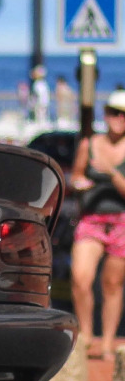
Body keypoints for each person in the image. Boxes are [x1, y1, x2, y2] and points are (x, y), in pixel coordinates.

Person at [68, 89, 125, 360]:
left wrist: (111, 173)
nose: (119, 118)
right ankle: (88, 335)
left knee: (112, 284)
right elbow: (75, 176)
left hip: (121, 222)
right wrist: (79, 183)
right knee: (81, 278)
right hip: (91, 220)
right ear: (106, 114)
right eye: (114, 112)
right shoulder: (88, 145)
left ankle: (108, 343)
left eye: (123, 114)